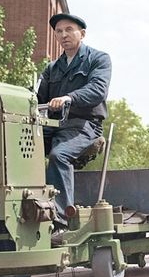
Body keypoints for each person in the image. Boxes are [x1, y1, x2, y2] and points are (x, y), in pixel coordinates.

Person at [37, 13, 112, 230]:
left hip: (84, 124)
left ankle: (60, 219)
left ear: (82, 34)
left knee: (58, 155)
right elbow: (38, 97)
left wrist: (70, 98)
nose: (63, 35)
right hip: (53, 126)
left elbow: (98, 90)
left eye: (69, 29)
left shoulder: (98, 59)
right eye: (59, 31)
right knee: (13, 152)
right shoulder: (52, 68)